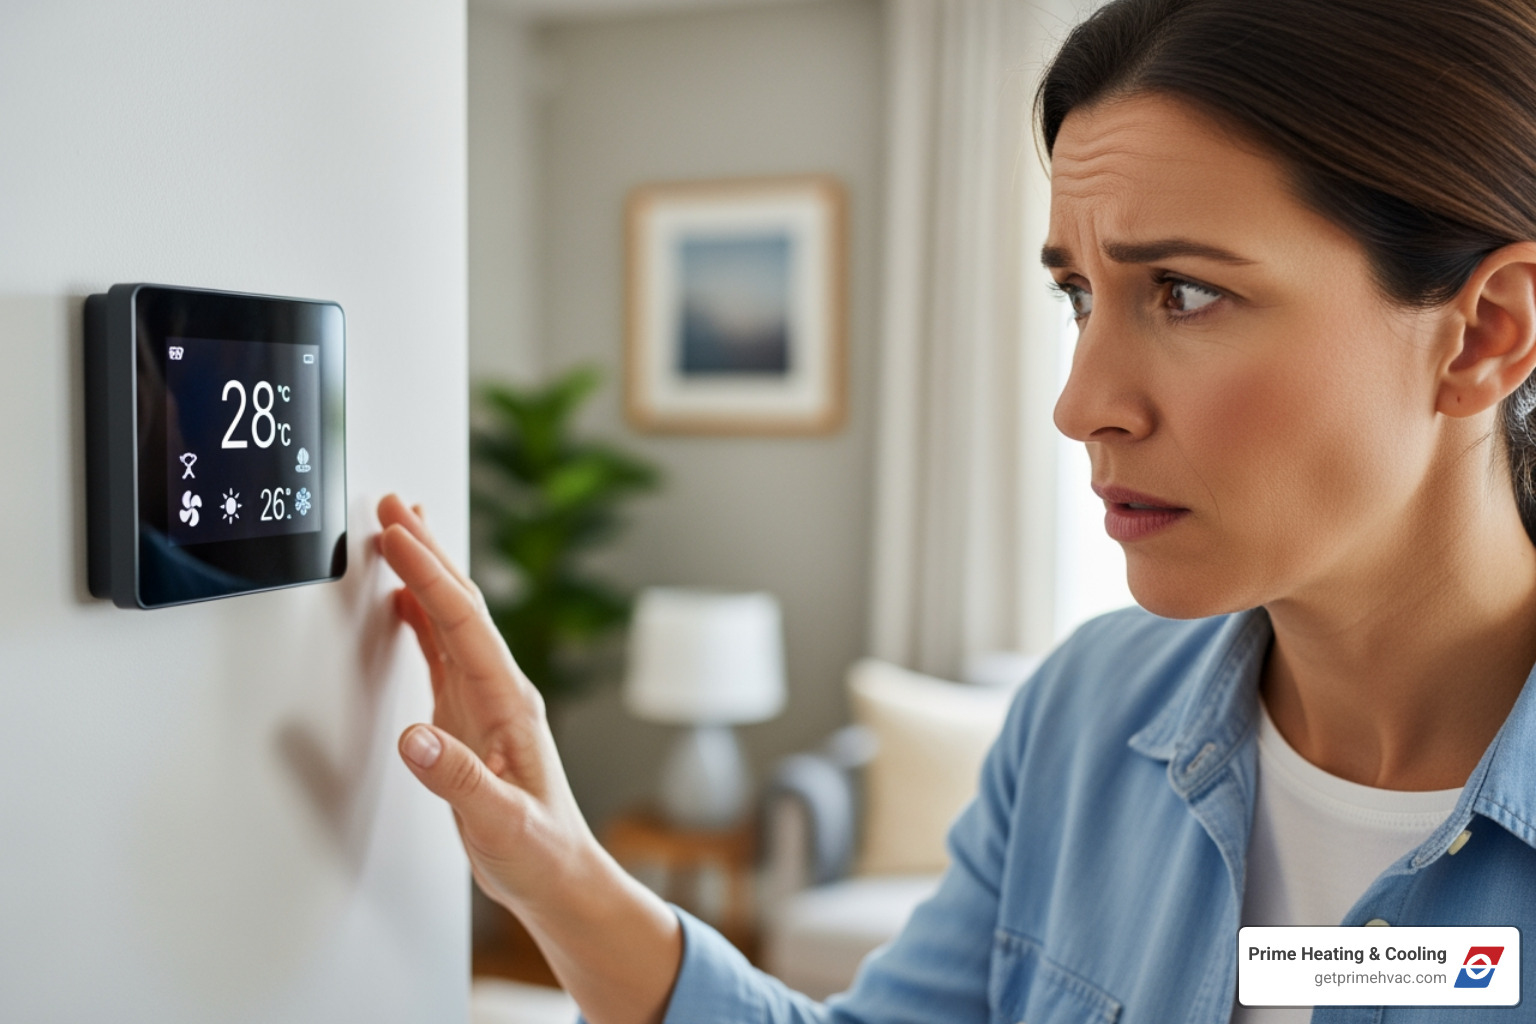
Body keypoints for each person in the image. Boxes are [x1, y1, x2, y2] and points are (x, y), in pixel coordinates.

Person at [376, 0, 1536, 1020]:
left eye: (1185, 293)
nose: (1081, 404)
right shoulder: (1086, 715)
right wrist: (556, 869)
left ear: (1484, 336)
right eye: (1080, 296)